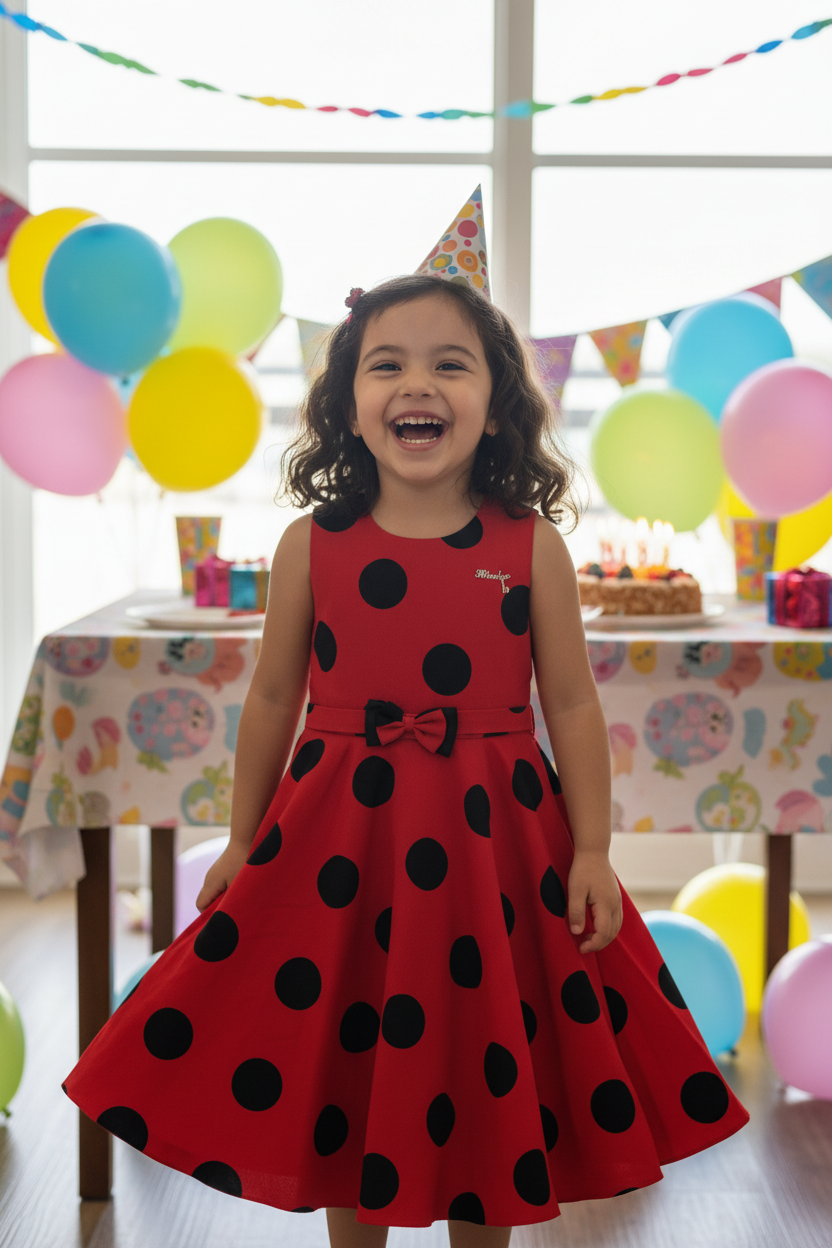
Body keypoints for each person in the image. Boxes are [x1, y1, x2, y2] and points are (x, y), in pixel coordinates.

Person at [63, 195, 748, 1246]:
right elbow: (274, 699)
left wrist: (593, 850)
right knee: (350, 1046)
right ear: (347, 404)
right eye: (387, 364)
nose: (417, 384)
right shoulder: (311, 544)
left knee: (486, 1047)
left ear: (497, 404)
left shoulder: (530, 546)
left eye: (450, 365)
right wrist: (243, 839)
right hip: (342, 840)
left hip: (494, 846)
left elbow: (570, 702)